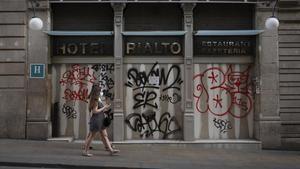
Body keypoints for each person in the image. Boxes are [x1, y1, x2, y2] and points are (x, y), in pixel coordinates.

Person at [82, 85, 119, 157]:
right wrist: (104, 107)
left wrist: (105, 108)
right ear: (97, 92)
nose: (101, 92)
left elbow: (99, 109)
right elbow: (95, 111)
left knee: (105, 135)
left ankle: (111, 150)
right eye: (100, 91)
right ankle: (85, 151)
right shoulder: (95, 100)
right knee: (91, 136)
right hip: (97, 120)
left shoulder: (97, 99)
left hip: (100, 119)